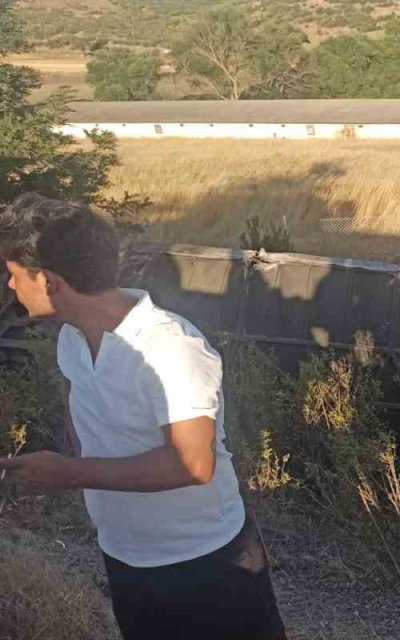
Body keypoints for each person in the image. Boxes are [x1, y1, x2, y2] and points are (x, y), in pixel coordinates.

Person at [0, 194, 286, 640]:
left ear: (50, 281)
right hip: (125, 555)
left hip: (208, 562)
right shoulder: (72, 339)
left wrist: (70, 473)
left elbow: (192, 464)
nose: (11, 286)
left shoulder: (171, 348)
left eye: (15, 275)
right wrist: (74, 463)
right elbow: (84, 402)